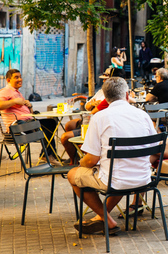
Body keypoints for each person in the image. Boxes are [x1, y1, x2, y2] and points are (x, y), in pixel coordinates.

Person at [67, 77, 156, 235]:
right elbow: (155, 149)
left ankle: (106, 219)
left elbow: (91, 160)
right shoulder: (143, 115)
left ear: (106, 99)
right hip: (143, 179)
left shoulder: (99, 117)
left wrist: (81, 162)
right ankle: (101, 218)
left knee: (73, 174)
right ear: (127, 95)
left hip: (117, 180)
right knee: (116, 170)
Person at [0, 69, 60, 165]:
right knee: (45, 126)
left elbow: (29, 113)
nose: (20, 79)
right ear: (8, 80)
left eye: (20, 77)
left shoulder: (17, 92)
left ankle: (48, 155)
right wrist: (14, 101)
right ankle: (48, 155)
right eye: (16, 77)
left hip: (26, 122)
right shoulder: (4, 91)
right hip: (17, 126)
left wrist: (29, 106)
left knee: (50, 123)